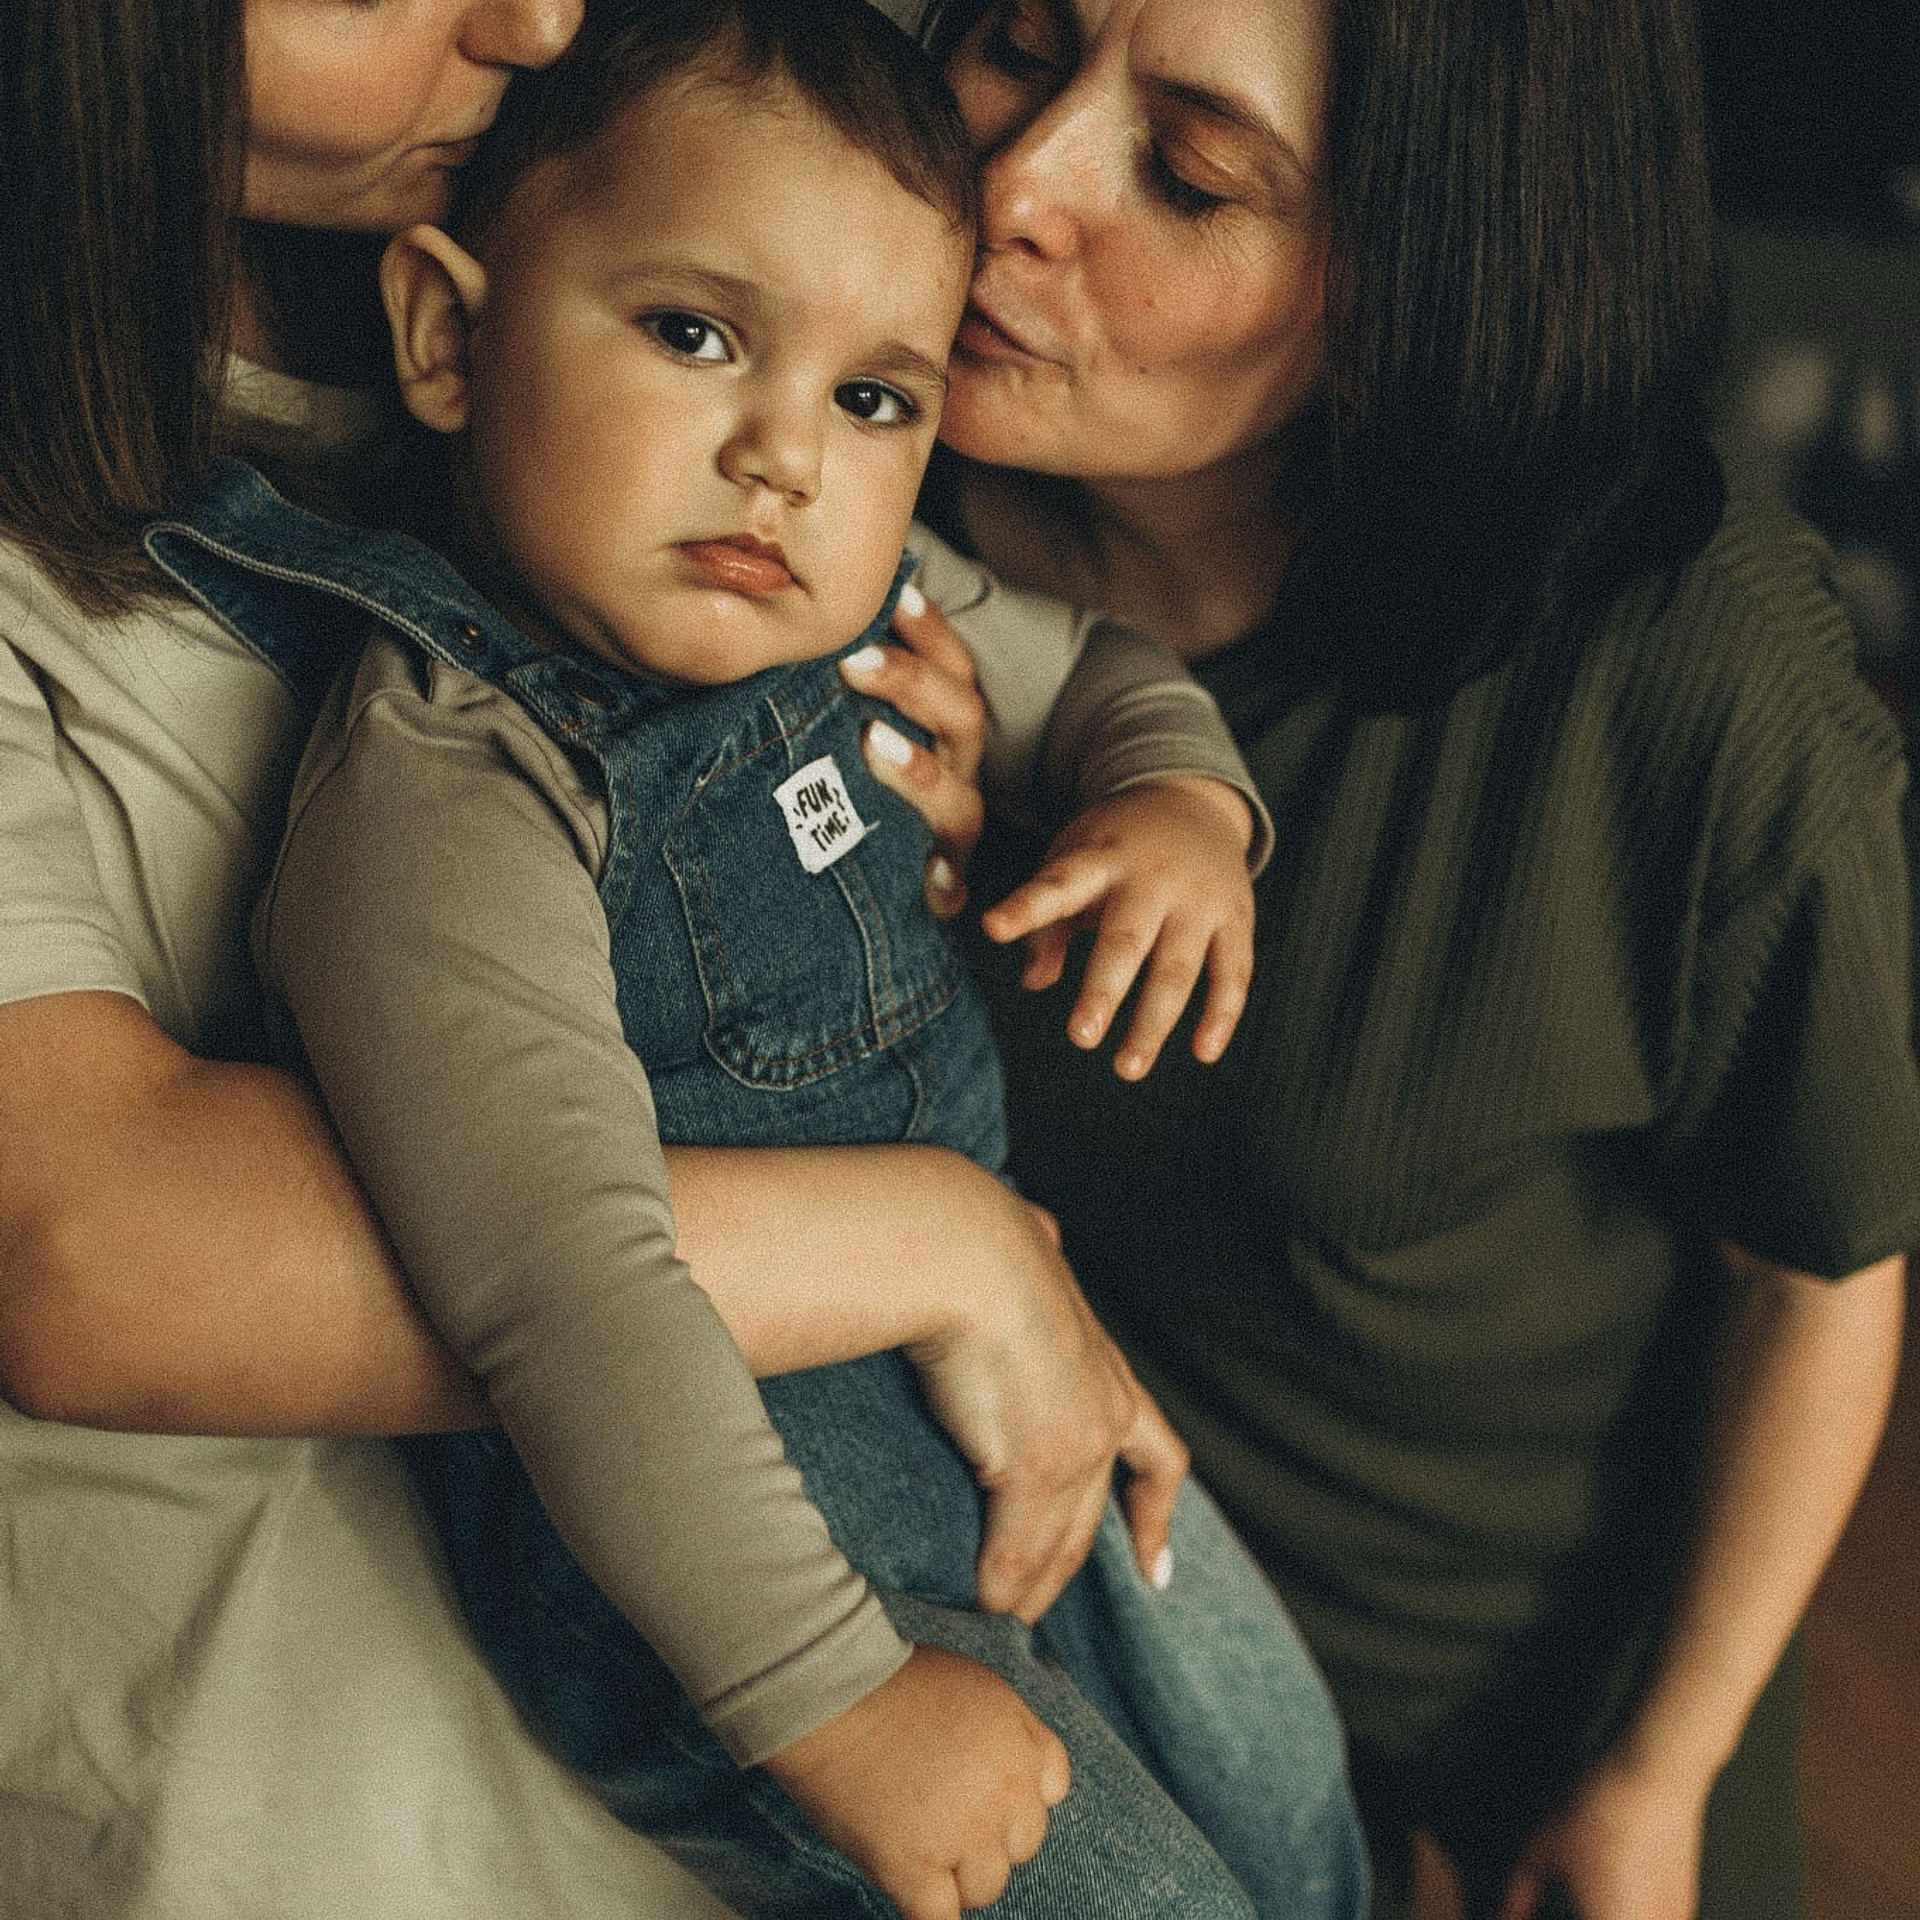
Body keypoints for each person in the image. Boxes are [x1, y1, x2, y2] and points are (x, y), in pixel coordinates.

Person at [0, 2, 1360, 1917]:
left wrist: (1180, 807)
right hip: (745, 1576)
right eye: (698, 339)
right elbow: (540, 1280)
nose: (786, 457)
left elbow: (1096, 680)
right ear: (452, 336)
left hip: (977, 1400)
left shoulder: (816, 557)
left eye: (875, 401)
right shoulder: (446, 781)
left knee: (1292, 1790)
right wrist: (849, 1678)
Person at [834, 1, 1917, 1917]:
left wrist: (1658, 1773)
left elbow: (1810, 1278)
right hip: (1031, 1634)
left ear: (1425, 276)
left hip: (1531, 1747)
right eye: (1012, 42)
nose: (1012, 187)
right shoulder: (830, 472)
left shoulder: (1694, 682)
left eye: (1193, 175)